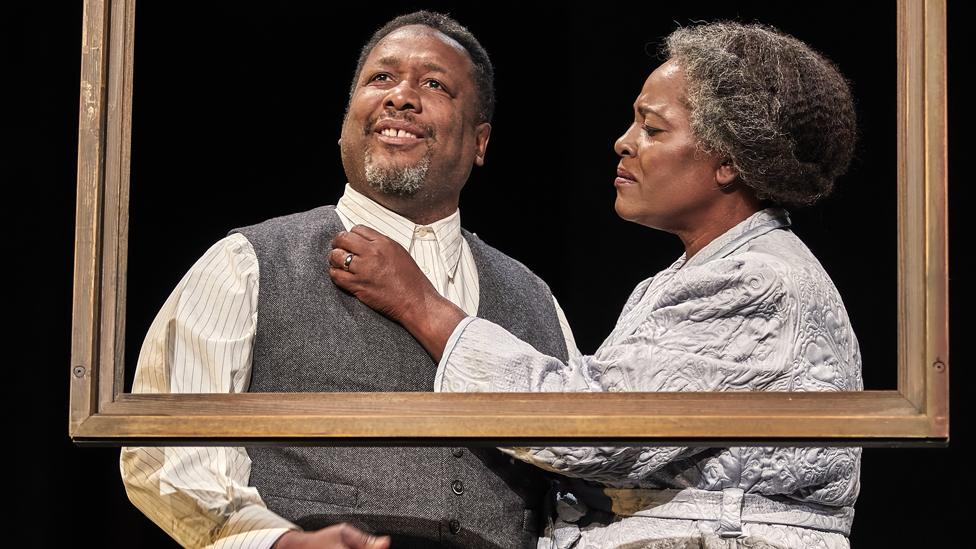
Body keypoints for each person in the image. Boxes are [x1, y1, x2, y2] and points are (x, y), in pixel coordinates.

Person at [330, 21, 863, 549]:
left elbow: (591, 428)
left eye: (653, 129)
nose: (624, 143)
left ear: (728, 162)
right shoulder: (700, 273)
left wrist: (421, 304)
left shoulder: (757, 282)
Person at [121, 11, 577, 549]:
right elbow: (167, 456)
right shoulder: (248, 263)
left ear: (480, 142)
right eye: (381, 78)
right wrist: (279, 543)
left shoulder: (534, 298)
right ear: (346, 120)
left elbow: (578, 483)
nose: (400, 97)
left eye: (434, 84)